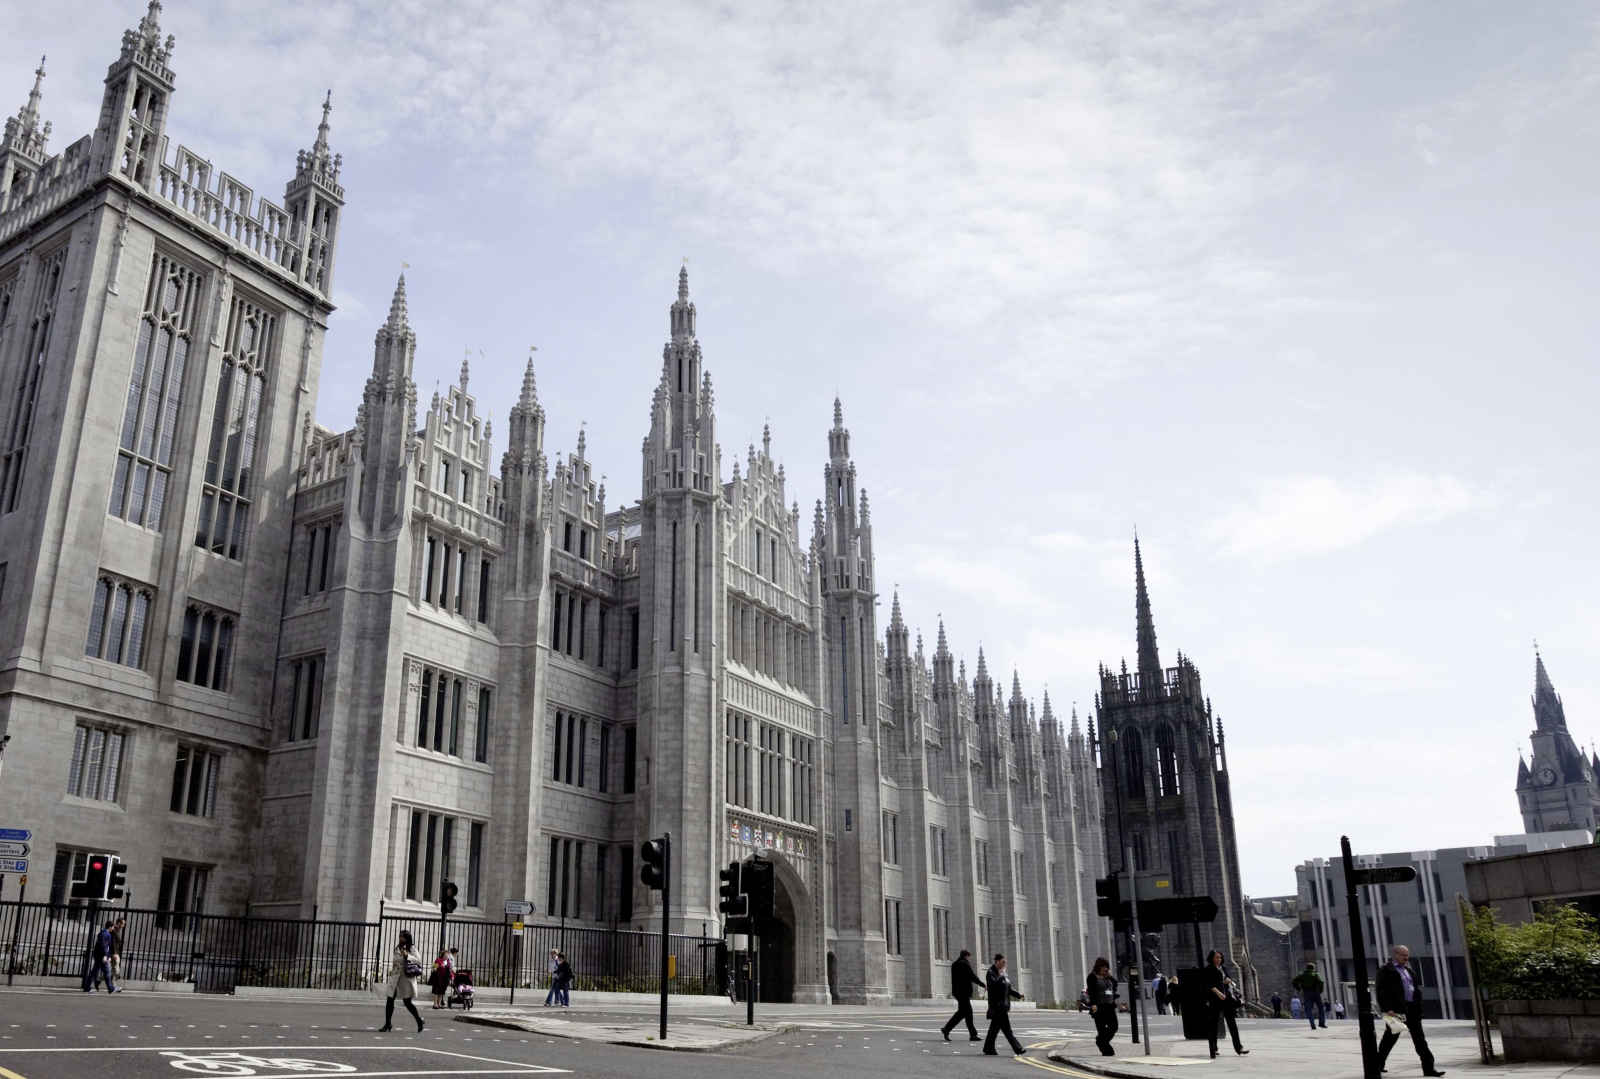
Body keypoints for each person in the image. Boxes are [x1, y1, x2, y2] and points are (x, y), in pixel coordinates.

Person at [1377, 945, 1445, 1077]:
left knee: (1420, 1040)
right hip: (1395, 1011)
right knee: (1389, 1040)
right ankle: (1378, 1065)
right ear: (1395, 955)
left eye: (1407, 955)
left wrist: (1419, 1008)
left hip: (1412, 1009)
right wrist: (1387, 1009)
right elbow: (1381, 991)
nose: (1406, 957)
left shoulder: (1409, 971)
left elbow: (1415, 990)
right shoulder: (1386, 970)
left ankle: (1429, 1069)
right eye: (1403, 955)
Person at [1201, 949, 1248, 1059]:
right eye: (1217, 957)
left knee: (1232, 1024)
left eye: (1220, 957)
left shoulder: (1224, 968)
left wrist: (1228, 981)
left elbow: (1229, 980)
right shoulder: (1208, 969)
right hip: (1215, 1000)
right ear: (1212, 958)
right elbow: (1208, 984)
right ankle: (1213, 1049)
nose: (1219, 959)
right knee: (1213, 1025)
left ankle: (1239, 1048)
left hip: (1227, 1000)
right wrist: (1218, 993)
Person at [380, 929, 425, 1033]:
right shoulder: (397, 947)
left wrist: (407, 956)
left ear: (407, 938)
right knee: (390, 1000)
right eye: (400, 936)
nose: (400, 938)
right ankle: (388, 1024)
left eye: (403, 937)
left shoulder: (411, 948)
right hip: (395, 977)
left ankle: (419, 1020)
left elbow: (418, 960)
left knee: (407, 1002)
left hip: (405, 978)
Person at [982, 953, 1026, 1057]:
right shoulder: (990, 973)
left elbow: (1008, 988)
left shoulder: (1001, 973)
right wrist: (1001, 976)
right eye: (1002, 962)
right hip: (997, 1006)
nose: (1004, 964)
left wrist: (1019, 995)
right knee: (1007, 1030)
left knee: (994, 1029)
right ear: (997, 962)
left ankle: (988, 1048)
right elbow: (994, 987)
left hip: (1003, 1006)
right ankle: (1018, 1048)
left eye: (1004, 962)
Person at [940, 948, 985, 1042]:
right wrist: (982, 984)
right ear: (966, 956)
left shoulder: (954, 964)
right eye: (969, 957)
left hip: (957, 992)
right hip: (964, 992)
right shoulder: (964, 964)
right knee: (967, 1013)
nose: (969, 959)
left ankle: (948, 1030)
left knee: (963, 1013)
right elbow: (972, 976)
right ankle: (947, 1029)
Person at [1085, 957, 1119, 1057]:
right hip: (1099, 1007)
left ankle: (1100, 1041)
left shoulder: (1107, 977)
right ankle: (1106, 1050)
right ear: (1098, 967)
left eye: (1107, 967)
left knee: (1114, 1027)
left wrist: (1111, 977)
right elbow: (1091, 992)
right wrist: (1093, 1005)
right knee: (1102, 1030)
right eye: (1104, 967)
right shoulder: (1092, 976)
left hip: (1110, 1006)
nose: (1106, 969)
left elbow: (1115, 985)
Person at [81, 920, 119, 993]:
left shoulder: (103, 933)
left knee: (95, 972)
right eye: (113, 927)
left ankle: (87, 987)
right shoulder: (106, 934)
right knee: (106, 972)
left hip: (99, 955)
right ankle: (110, 988)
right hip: (101, 956)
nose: (113, 928)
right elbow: (104, 945)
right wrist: (105, 955)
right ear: (110, 927)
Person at [1293, 962, 1326, 1029]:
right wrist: (1320, 991)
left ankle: (1312, 1024)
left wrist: (1298, 988)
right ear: (1313, 968)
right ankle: (1321, 1023)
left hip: (1306, 993)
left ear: (1306, 968)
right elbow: (1321, 982)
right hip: (1316, 993)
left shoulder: (1302, 975)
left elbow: (1294, 981)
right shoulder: (1315, 974)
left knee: (1308, 1009)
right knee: (1320, 1008)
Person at [110, 917, 126, 982]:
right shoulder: (114, 930)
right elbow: (113, 942)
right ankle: (113, 984)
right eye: (123, 924)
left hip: (115, 952)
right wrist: (114, 953)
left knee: (113, 969)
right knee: (116, 970)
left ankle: (100, 980)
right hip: (114, 953)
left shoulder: (117, 930)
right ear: (119, 923)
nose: (123, 926)